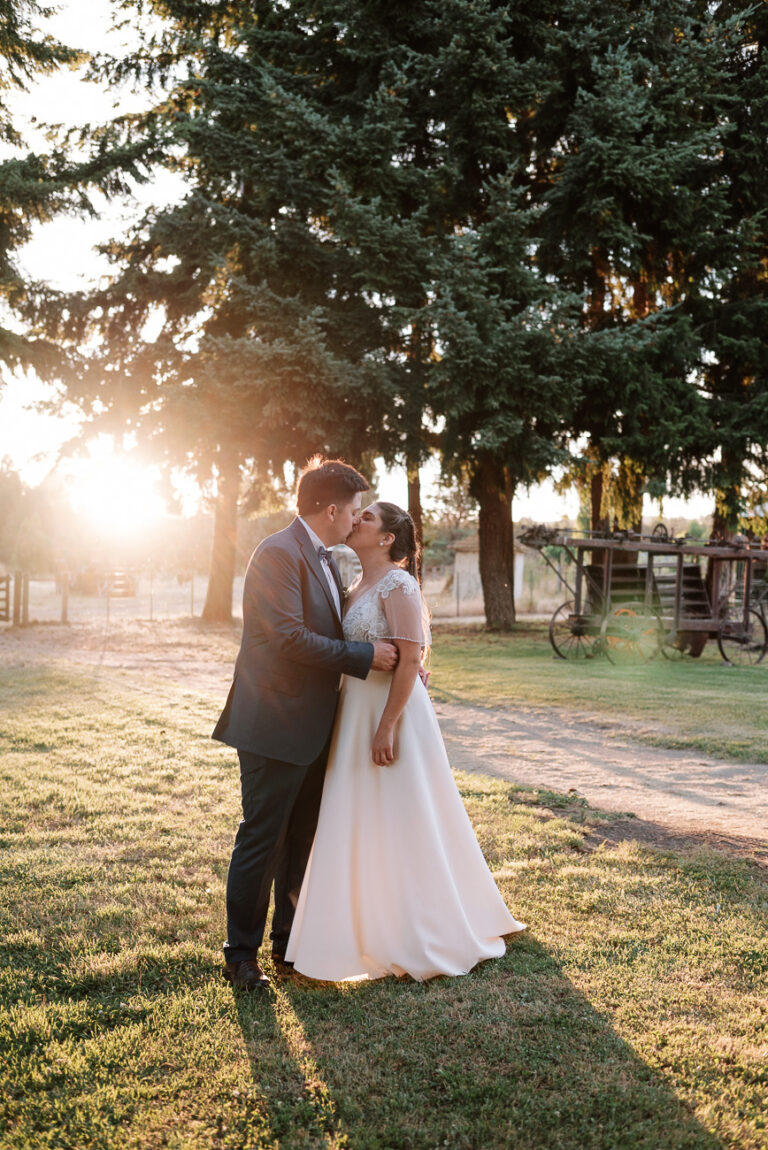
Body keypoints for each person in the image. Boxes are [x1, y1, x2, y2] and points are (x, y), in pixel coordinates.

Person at [285, 501, 525, 981]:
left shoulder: (399, 584)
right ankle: (366, 925)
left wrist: (387, 724)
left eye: (368, 517)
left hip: (389, 716)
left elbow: (411, 659)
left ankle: (423, 927)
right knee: (363, 815)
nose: (357, 520)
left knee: (404, 812)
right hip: (354, 713)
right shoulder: (354, 585)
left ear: (387, 538)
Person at [212, 458, 399, 991]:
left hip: (315, 726)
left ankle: (288, 947)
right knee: (263, 840)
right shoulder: (277, 553)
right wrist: (363, 656)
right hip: (274, 723)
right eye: (356, 511)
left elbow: (335, 623)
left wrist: (404, 656)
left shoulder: (324, 557)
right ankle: (241, 956)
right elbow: (287, 638)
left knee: (301, 840)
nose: (359, 519)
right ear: (333, 510)